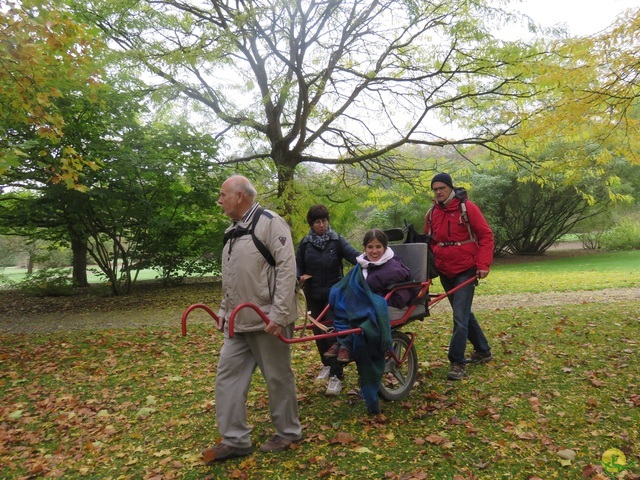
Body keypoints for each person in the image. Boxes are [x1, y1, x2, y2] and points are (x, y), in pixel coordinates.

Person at [202, 175, 302, 463]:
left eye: (223, 194)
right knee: (227, 378)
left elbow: (286, 268)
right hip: (238, 322)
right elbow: (231, 279)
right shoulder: (232, 231)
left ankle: (289, 432)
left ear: (240, 196)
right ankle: (235, 439)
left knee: (277, 377)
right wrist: (224, 311)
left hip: (268, 319)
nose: (219, 200)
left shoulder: (270, 223)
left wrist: (280, 314)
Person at [328, 228, 412, 414]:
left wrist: (368, 285)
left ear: (385, 247)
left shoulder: (393, 265)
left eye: (378, 247)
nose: (374, 251)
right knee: (338, 293)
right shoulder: (362, 264)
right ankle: (343, 341)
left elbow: (396, 277)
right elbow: (351, 281)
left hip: (379, 301)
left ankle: (346, 344)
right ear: (364, 248)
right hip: (359, 299)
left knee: (363, 322)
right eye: (370, 247)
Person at [426, 173, 494, 381]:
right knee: (463, 313)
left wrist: (483, 264)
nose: (438, 192)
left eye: (442, 188)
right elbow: (429, 243)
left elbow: (486, 236)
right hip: (445, 270)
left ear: (450, 188)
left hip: (466, 268)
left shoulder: (467, 208)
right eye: (435, 189)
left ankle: (457, 361)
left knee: (459, 317)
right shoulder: (431, 214)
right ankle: (483, 350)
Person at [296, 205, 360, 396]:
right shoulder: (305, 244)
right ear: (311, 224)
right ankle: (326, 365)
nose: (322, 225)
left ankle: (336, 376)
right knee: (318, 334)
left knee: (333, 335)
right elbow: (298, 266)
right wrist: (297, 278)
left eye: (324, 220)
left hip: (335, 296)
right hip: (313, 295)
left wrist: (372, 260)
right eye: (317, 222)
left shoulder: (336, 240)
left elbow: (354, 256)